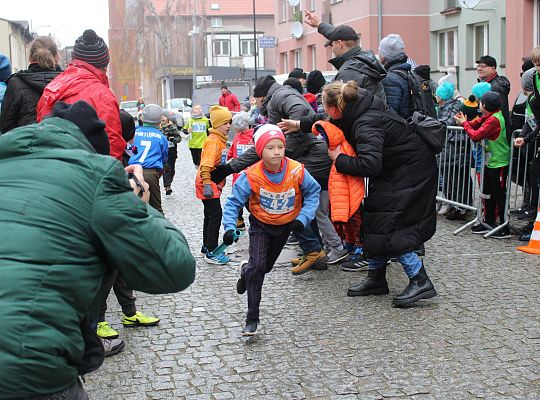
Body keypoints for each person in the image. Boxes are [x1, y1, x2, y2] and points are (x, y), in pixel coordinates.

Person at [0, 100, 196, 399]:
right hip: (25, 365)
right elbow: (174, 269)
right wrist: (138, 203)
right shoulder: (96, 175)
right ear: (93, 148)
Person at [316, 80, 438, 307]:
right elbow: (328, 123)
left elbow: (369, 165)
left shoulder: (365, 123)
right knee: (374, 219)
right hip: (396, 169)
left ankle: (420, 280)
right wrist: (299, 124)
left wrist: (338, 159)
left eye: (325, 108)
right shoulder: (359, 107)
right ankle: (376, 278)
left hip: (411, 170)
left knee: (392, 226)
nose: (326, 114)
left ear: (335, 108)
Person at [222, 124, 320, 335]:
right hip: (261, 226)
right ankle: (252, 318)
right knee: (258, 270)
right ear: (260, 151)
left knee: (263, 267)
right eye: (270, 148)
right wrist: (230, 227)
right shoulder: (252, 175)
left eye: (280, 147)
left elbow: (314, 192)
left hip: (285, 226)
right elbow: (233, 203)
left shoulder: (296, 170)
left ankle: (245, 270)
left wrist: (303, 218)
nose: (276, 152)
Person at [36, 29, 125, 161]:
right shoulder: (102, 96)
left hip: (52, 171)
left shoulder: (51, 89)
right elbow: (112, 146)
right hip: (90, 175)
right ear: (104, 65)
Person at [454, 91, 511, 238]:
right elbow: (476, 123)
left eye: (481, 102)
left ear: (485, 105)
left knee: (499, 195)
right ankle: (489, 222)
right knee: (488, 193)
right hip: (490, 162)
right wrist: (464, 122)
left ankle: (504, 227)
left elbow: (476, 135)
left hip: (499, 162)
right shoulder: (489, 116)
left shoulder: (494, 119)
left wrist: (464, 124)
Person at [303, 10, 386, 101]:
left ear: (340, 43)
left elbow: (340, 108)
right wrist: (319, 24)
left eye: (332, 44)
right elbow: (340, 34)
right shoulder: (364, 58)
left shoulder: (348, 73)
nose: (332, 48)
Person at [0, 37, 61, 133]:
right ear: (57, 57)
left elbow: (6, 126)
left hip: (25, 144)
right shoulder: (69, 82)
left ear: (30, 58)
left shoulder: (16, 83)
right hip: (63, 144)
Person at [196, 105, 232, 264]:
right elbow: (205, 164)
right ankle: (212, 251)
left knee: (209, 215)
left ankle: (206, 246)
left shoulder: (220, 140)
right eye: (225, 123)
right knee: (215, 215)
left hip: (210, 182)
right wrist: (207, 185)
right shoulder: (214, 141)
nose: (229, 126)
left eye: (229, 122)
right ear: (216, 124)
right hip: (207, 182)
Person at [128, 104, 169, 214]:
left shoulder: (134, 132)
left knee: (132, 206)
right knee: (156, 209)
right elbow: (165, 158)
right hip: (150, 173)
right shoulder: (161, 137)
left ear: (142, 118)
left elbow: (128, 149)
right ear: (159, 120)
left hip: (132, 172)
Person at [227, 111, 255, 230]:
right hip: (239, 174)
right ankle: (239, 221)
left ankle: (254, 219)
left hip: (251, 175)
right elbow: (231, 153)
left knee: (247, 199)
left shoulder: (254, 136)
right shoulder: (238, 137)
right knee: (238, 198)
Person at [378, 34, 413, 118]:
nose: (378, 54)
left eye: (379, 50)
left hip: (401, 128)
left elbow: (390, 115)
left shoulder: (390, 79)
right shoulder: (408, 73)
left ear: (385, 54)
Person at [476, 55, 511, 133]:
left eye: (483, 66)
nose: (479, 69)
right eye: (478, 66)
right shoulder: (485, 84)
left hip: (496, 130)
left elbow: (501, 109)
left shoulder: (497, 86)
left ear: (493, 69)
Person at [161, 113, 182, 195]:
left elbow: (179, 138)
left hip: (172, 151)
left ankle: (169, 181)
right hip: (163, 151)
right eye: (161, 117)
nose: (162, 118)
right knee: (167, 169)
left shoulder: (172, 127)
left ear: (167, 118)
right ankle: (167, 187)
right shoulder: (158, 128)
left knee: (172, 169)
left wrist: (171, 139)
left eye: (164, 116)